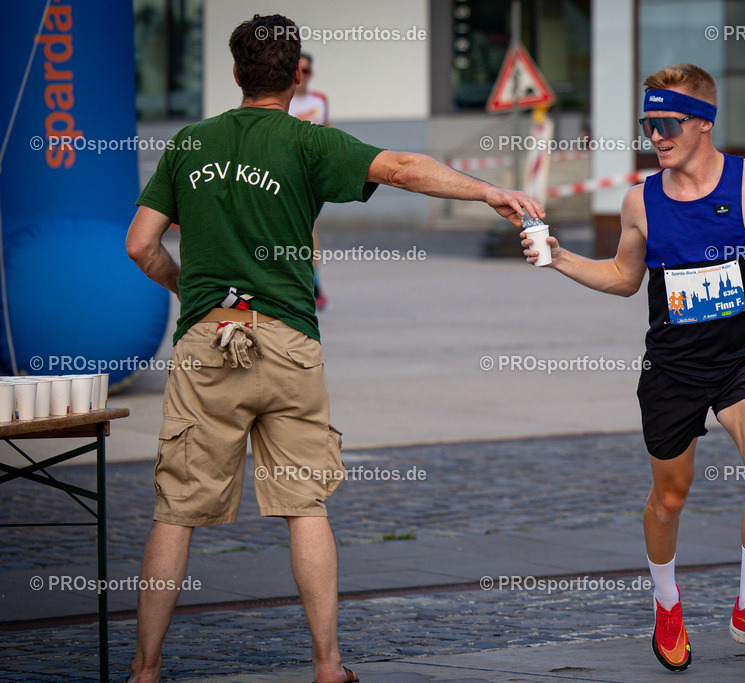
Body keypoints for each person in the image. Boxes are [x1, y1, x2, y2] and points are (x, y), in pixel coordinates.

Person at [124, 14, 543, 683]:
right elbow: (402, 167)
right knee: (304, 504)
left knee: (177, 510)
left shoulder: (189, 144)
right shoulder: (308, 143)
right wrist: (489, 190)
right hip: (288, 341)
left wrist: (191, 297)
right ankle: (327, 665)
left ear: (234, 75)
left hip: (209, 339)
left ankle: (144, 671)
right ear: (296, 76)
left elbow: (140, 244)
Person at [521, 63, 745, 672]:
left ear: (703, 124)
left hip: (743, 361)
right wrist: (558, 257)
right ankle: (667, 605)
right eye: (647, 123)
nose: (654, 135)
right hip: (673, 370)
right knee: (670, 497)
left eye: (667, 123)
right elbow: (625, 280)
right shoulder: (641, 202)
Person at [287, 52, 330, 310]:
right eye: (298, 71)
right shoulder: (282, 102)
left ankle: (313, 284)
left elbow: (327, 131)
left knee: (308, 227)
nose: (302, 77)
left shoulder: (319, 101)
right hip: (284, 175)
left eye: (307, 71)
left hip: (311, 177)